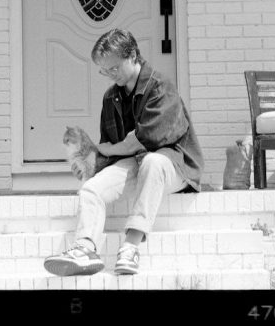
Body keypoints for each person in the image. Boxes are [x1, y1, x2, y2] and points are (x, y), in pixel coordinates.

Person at [44, 28, 203, 276]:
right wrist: (92, 164)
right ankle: (85, 248)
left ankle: (130, 248)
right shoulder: (111, 97)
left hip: (174, 164)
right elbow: (113, 151)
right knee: (91, 189)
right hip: (135, 165)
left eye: (114, 68)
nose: (110, 74)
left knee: (152, 162)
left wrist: (113, 147)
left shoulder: (160, 87)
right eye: (104, 70)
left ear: (133, 56)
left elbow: (144, 140)